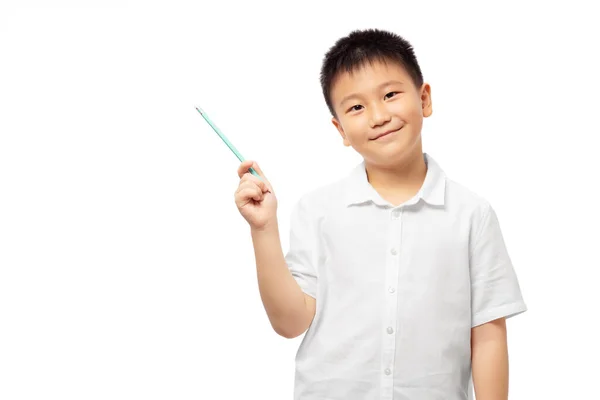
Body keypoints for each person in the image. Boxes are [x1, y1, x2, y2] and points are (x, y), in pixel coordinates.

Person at [233, 28, 527, 400]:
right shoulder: (317, 211)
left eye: (390, 95)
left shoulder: (472, 214)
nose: (377, 116)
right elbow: (290, 323)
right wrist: (263, 229)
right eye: (356, 107)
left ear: (424, 99)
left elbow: (487, 333)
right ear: (340, 129)